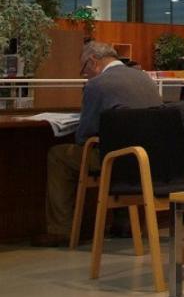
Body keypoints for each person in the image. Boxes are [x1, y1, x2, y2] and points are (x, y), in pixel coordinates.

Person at [34, 41, 163, 247]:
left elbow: (84, 135)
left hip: (116, 160)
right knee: (118, 148)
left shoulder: (97, 85)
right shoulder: (144, 78)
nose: (84, 74)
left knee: (59, 155)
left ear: (93, 62)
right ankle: (123, 223)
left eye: (83, 69)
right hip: (147, 159)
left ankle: (60, 230)